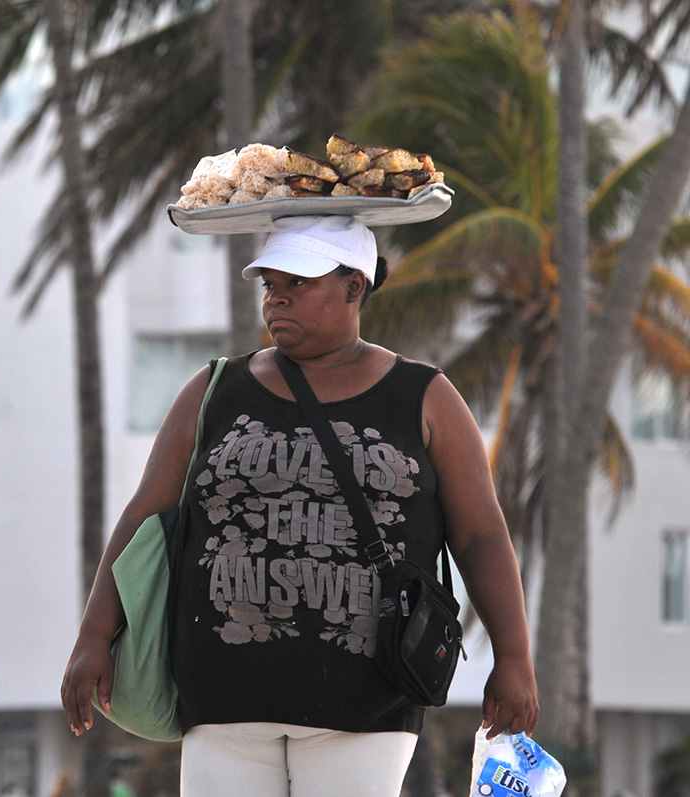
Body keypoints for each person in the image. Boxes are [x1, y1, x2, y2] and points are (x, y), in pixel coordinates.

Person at [61, 214, 539, 796]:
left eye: (299, 282)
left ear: (354, 286)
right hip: (222, 697)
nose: (277, 298)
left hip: (366, 700)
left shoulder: (426, 397)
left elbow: (481, 534)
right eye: (270, 285)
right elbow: (144, 517)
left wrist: (513, 656)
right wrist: (93, 636)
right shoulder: (213, 390)